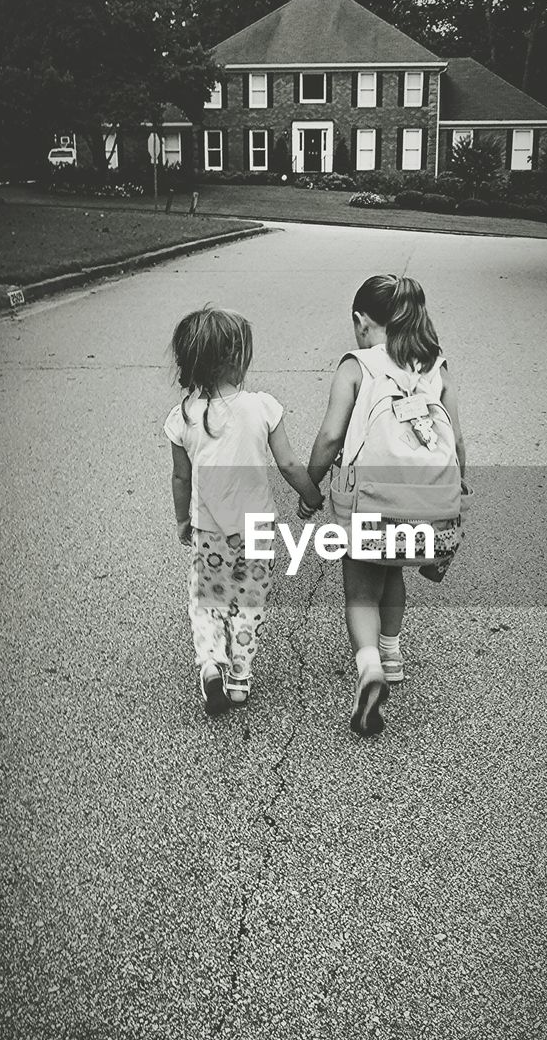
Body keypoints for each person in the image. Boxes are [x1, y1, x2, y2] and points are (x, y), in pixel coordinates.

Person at [300, 275, 467, 737]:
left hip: (370, 502)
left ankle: (369, 665)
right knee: (393, 570)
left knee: (359, 588)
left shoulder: (357, 364)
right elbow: (456, 439)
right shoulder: (437, 366)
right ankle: (391, 655)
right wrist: (458, 489)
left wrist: (309, 486)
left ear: (361, 321)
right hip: (426, 502)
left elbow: (331, 436)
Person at [165, 306, 322, 714]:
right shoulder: (263, 407)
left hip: (208, 531)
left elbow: (181, 478)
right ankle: (239, 680)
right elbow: (288, 464)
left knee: (207, 601)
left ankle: (211, 664)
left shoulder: (183, 417)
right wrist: (311, 495)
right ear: (236, 359)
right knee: (248, 604)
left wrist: (183, 518)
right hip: (256, 532)